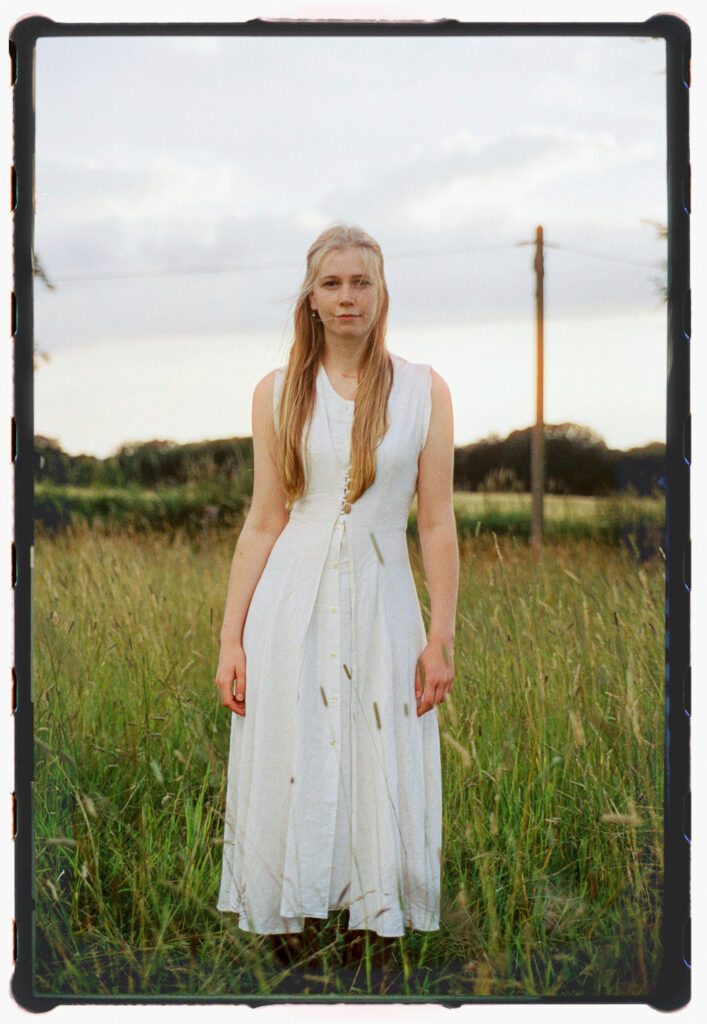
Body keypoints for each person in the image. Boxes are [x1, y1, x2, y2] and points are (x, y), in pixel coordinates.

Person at [215, 224, 459, 966]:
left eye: (361, 282)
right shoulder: (277, 391)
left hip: (384, 599)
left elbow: (436, 520)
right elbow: (263, 521)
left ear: (380, 293)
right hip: (290, 601)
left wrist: (440, 635)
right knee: (292, 742)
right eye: (332, 283)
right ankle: (288, 921)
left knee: (375, 743)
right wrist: (230, 639)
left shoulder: (423, 389)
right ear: (311, 297)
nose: (347, 296)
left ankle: (370, 921)